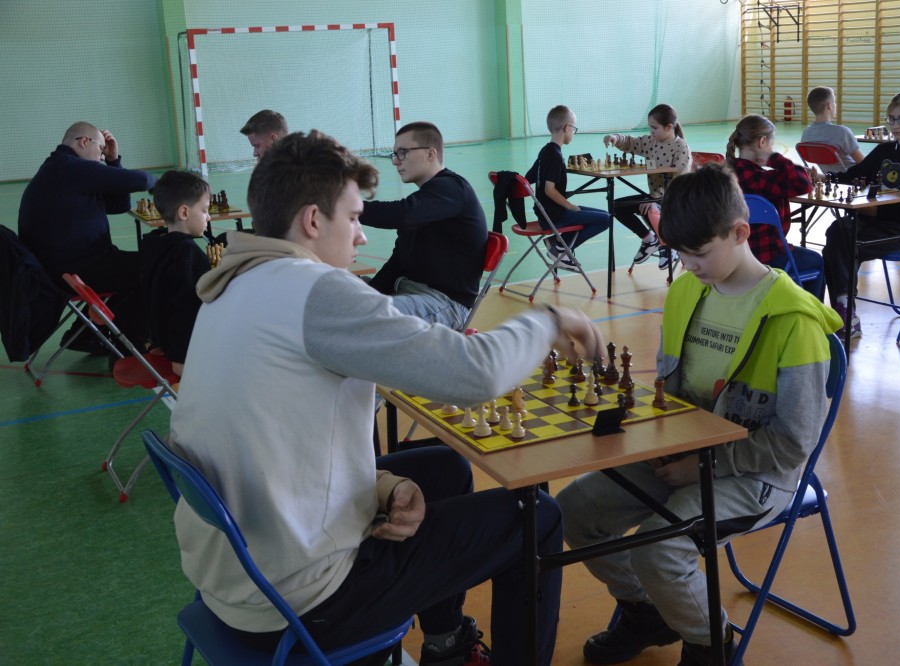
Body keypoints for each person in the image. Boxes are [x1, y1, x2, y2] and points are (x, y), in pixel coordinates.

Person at [168, 129, 606, 666]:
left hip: (234, 577)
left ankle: (446, 643)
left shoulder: (231, 286)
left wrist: (383, 485)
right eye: (354, 218)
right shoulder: (315, 291)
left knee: (444, 468)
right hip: (302, 600)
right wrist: (549, 321)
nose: (359, 237)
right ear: (312, 221)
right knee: (536, 517)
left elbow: (275, 448)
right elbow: (475, 375)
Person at [557, 163, 841, 666]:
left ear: (740, 233)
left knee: (658, 550)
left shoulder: (794, 321)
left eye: (700, 252)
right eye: (679, 253)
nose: (688, 265)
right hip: (682, 454)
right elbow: (670, 392)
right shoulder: (686, 291)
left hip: (758, 473)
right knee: (574, 510)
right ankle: (648, 613)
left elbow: (795, 442)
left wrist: (705, 464)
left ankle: (711, 643)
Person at [17, 121, 157, 351]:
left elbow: (120, 204)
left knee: (136, 266)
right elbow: (141, 180)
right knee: (155, 266)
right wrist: (168, 183)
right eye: (101, 150)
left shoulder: (60, 169)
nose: (101, 157)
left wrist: (113, 160)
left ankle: (86, 335)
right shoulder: (70, 167)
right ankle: (132, 346)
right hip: (74, 270)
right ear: (84, 142)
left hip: (64, 268)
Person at [823, 90, 900, 339]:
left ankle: (844, 312)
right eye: (891, 119)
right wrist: (826, 178)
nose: (895, 125)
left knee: (843, 240)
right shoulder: (885, 150)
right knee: (837, 232)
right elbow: (854, 175)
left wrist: (875, 208)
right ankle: (845, 309)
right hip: (872, 222)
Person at [360, 121, 487, 330]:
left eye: (403, 152)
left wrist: (349, 207)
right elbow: (399, 261)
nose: (395, 161)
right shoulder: (427, 201)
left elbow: (403, 214)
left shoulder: (453, 189)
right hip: (407, 290)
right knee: (341, 297)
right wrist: (372, 291)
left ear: (430, 154)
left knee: (370, 317)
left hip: (444, 302)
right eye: (395, 154)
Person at [727, 114, 824, 300]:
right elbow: (803, 183)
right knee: (817, 261)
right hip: (768, 255)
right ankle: (812, 314)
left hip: (735, 256)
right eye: (771, 144)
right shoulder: (763, 180)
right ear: (762, 141)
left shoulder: (726, 175)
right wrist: (775, 158)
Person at [139, 170, 212, 377]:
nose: (208, 217)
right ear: (184, 213)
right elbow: (187, 311)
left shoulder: (155, 245)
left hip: (162, 341)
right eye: (205, 210)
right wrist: (181, 359)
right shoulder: (188, 254)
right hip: (185, 351)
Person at [603, 104, 692, 270]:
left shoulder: (681, 147)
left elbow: (679, 182)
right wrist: (616, 138)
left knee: (651, 208)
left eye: (654, 128)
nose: (651, 131)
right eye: (650, 127)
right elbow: (632, 142)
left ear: (669, 127)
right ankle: (649, 240)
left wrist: (654, 199)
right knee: (616, 206)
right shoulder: (651, 142)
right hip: (655, 197)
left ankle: (669, 245)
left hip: (674, 200)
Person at [528, 105, 611, 270]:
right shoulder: (555, 155)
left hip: (545, 213)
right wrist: (570, 206)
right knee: (606, 219)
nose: (573, 132)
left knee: (604, 214)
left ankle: (556, 242)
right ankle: (561, 248)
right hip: (554, 216)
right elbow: (549, 190)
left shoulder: (545, 151)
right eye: (574, 128)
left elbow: (527, 178)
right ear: (567, 128)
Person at [801, 86, 865, 171]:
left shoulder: (806, 133)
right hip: (853, 175)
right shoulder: (842, 132)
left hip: (830, 176)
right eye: (834, 101)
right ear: (829, 105)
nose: (835, 104)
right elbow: (864, 163)